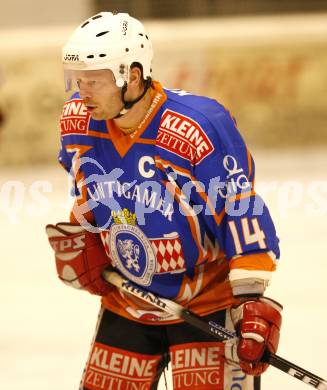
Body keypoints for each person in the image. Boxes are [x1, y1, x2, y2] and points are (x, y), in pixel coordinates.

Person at [46, 12, 282, 390]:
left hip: (207, 304)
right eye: (78, 80)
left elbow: (240, 209)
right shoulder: (78, 121)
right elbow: (88, 189)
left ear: (132, 75)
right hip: (126, 299)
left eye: (94, 80)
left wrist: (251, 302)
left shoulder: (195, 127)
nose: (82, 91)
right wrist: (86, 234)